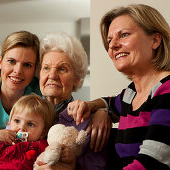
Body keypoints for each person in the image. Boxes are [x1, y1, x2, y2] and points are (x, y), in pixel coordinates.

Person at [68, 4, 170, 169]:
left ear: (155, 40)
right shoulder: (131, 93)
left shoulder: (166, 90)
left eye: (124, 35)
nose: (112, 45)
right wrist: (95, 108)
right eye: (109, 40)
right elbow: (110, 102)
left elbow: (151, 163)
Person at [35, 32, 111, 170]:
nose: (52, 75)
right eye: (46, 68)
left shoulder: (90, 123)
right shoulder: (25, 111)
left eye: (62, 69)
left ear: (77, 78)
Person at [0, 94, 55, 169]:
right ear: (9, 123)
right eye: (17, 121)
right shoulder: (0, 144)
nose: (21, 128)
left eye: (30, 124)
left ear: (43, 132)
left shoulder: (42, 147)